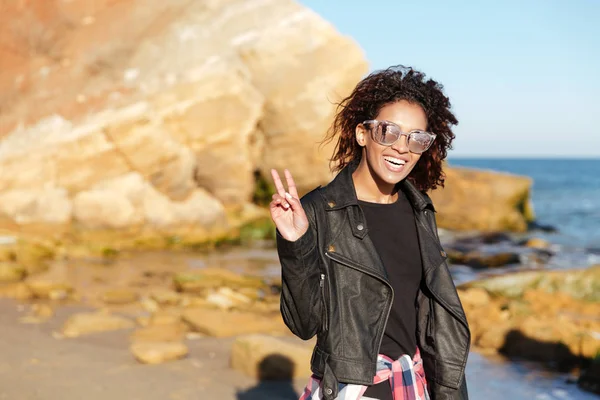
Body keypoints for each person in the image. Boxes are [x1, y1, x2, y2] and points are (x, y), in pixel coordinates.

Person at [270, 66, 470, 400]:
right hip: (355, 389)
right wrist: (296, 245)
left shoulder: (420, 209)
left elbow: (432, 320)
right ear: (363, 134)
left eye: (416, 138)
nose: (402, 148)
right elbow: (303, 324)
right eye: (388, 132)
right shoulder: (318, 210)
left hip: (414, 385)